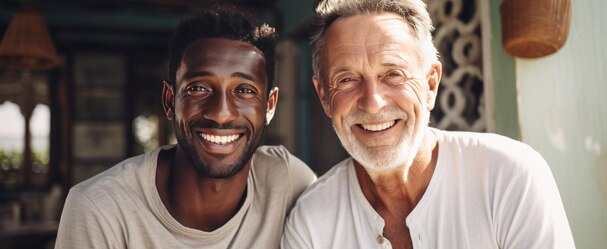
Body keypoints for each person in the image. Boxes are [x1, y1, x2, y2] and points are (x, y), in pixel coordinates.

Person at [281, 0, 575, 248]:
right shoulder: (311, 222)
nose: (373, 102)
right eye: (347, 80)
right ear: (324, 98)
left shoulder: (508, 177)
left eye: (393, 74)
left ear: (431, 84)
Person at [55, 6, 316, 248]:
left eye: (245, 90)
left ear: (269, 106)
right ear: (170, 101)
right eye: (198, 88)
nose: (221, 114)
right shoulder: (99, 209)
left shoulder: (289, 183)